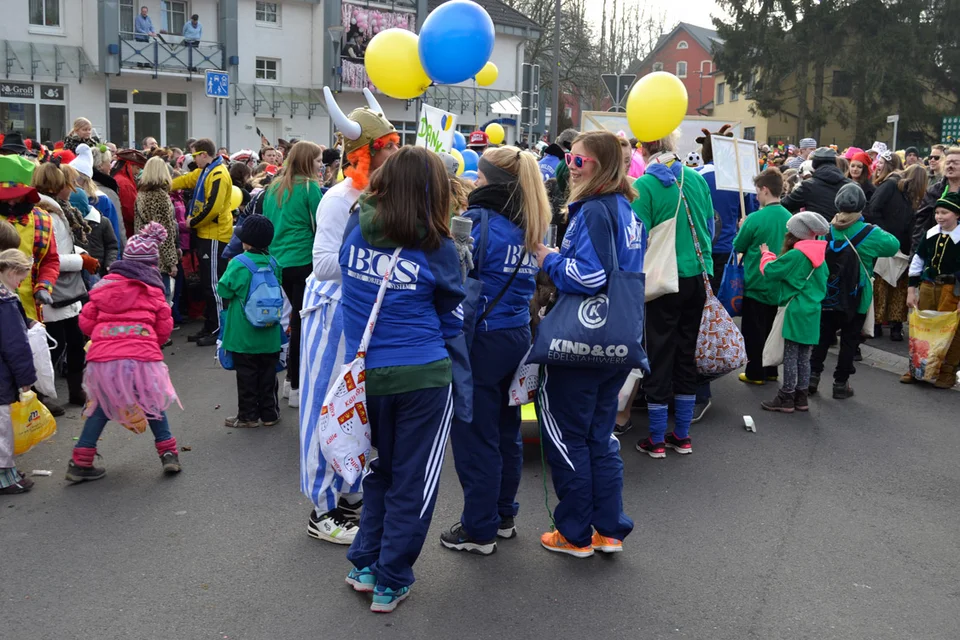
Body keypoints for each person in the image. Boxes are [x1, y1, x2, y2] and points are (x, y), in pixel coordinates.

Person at [341, 146, 464, 613]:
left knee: (384, 469)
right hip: (422, 377)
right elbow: (451, 302)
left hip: (366, 376)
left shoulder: (356, 226)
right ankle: (392, 578)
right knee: (415, 479)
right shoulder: (437, 245)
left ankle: (366, 564)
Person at [532, 130, 643, 557]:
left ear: (600, 166)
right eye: (569, 160)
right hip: (617, 337)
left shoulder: (595, 210)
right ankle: (609, 528)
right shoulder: (626, 209)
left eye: (577, 161)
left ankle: (575, 532)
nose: (569, 168)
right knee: (600, 437)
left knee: (568, 435)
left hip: (582, 340)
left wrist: (548, 257)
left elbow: (589, 277)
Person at [299, 88, 399, 544]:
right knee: (325, 404)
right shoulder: (340, 199)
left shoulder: (379, 195)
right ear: (368, 153)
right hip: (332, 312)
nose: (397, 153)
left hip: (362, 313)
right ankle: (321, 509)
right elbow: (322, 264)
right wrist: (376, 259)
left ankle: (348, 489)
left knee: (352, 406)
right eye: (389, 148)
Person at [440, 146, 550, 555]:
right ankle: (503, 515)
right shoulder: (530, 224)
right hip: (519, 337)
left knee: (474, 435)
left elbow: (452, 278)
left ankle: (478, 529)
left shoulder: (476, 222)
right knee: (507, 433)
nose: (473, 183)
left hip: (480, 340)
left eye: (480, 178)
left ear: (494, 182)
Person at [67, 222, 181, 483]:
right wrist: (152, 340)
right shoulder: (153, 290)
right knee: (152, 404)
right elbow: (164, 327)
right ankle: (168, 454)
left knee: (101, 407)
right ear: (151, 264)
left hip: (103, 360)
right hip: (142, 359)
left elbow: (85, 322)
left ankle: (81, 460)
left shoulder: (103, 287)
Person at [630, 130, 712, 455]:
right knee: (686, 354)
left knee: (658, 354)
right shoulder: (696, 179)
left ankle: (656, 438)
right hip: (698, 276)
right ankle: (682, 435)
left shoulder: (644, 185)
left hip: (663, 281)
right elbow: (708, 224)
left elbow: (637, 240)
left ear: (645, 146)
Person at [809, 183, 900, 399]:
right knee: (850, 340)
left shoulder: (825, 230)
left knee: (822, 337)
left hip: (827, 293)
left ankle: (812, 377)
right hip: (857, 297)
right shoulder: (869, 232)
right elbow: (893, 245)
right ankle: (841, 384)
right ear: (861, 205)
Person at [261, 141, 323, 407]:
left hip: (278, 262)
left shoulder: (273, 187)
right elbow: (324, 224)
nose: (321, 164)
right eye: (318, 160)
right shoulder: (310, 188)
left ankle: (288, 383)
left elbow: (266, 223)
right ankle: (296, 384)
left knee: (291, 321)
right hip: (303, 261)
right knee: (301, 324)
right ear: (308, 161)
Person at [32, 163, 97, 407]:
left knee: (73, 343)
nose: (72, 191)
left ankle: (75, 391)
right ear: (58, 186)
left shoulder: (55, 209)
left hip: (64, 290)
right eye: (68, 186)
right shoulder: (48, 213)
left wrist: (81, 255)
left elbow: (62, 248)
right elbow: (52, 258)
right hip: (54, 290)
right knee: (54, 346)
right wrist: (81, 260)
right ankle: (39, 397)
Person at [756, 213, 830, 412]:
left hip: (795, 309)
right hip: (813, 311)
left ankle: (786, 397)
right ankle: (801, 397)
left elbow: (771, 271)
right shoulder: (820, 257)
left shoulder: (796, 254)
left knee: (790, 355)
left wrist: (766, 254)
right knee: (804, 357)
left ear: (796, 233)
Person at [217, 216, 283, 427]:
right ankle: (270, 415)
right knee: (268, 376)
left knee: (246, 377)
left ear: (246, 242)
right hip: (270, 333)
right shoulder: (274, 263)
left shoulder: (239, 263)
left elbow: (223, 289)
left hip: (243, 333)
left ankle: (248, 416)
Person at [171, 138, 233, 347]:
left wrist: (192, 222)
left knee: (214, 286)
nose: (193, 159)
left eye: (195, 155)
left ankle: (218, 330)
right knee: (208, 284)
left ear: (204, 154)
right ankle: (210, 325)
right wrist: (163, 182)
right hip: (206, 234)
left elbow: (213, 207)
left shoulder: (218, 174)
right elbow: (187, 180)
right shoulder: (206, 171)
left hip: (215, 235)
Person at [734, 168, 793, 384]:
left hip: (756, 283)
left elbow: (739, 245)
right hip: (780, 284)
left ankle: (755, 372)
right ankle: (771, 370)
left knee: (754, 331)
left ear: (765, 190)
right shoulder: (790, 218)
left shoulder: (755, 218)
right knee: (772, 331)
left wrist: (742, 227)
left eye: (758, 191)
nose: (757, 195)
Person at [903, 191, 960, 388]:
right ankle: (917, 368)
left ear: (957, 214)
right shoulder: (930, 233)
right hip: (928, 285)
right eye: (937, 213)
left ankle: (946, 372)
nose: (939, 217)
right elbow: (917, 261)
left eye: (945, 213)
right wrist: (912, 289)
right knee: (924, 327)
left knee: (950, 331)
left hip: (951, 288)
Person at [865, 163, 928, 341]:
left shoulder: (903, 191)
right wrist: (886, 236)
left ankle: (894, 324)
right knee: (882, 284)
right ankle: (878, 324)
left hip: (903, 247)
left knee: (896, 287)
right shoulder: (891, 186)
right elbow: (874, 209)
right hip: (887, 244)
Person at [0, 154, 60, 323]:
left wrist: (44, 286)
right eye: (5, 196)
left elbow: (51, 260)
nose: (11, 201)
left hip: (29, 309)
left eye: (16, 196)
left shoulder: (43, 220)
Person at [0, 248, 39, 494]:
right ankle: (5, 477)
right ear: (11, 271)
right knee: (1, 427)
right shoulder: (5, 300)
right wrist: (26, 378)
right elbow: (15, 345)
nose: (21, 283)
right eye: (21, 277)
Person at [61, 164, 117, 279]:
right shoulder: (67, 223)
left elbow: (112, 245)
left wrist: (109, 264)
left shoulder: (102, 222)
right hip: (77, 270)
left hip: (99, 270)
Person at [135, 157, 179, 298]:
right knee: (163, 299)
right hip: (159, 257)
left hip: (144, 254)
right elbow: (165, 232)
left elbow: (138, 226)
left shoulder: (141, 194)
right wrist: (172, 262)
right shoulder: (161, 197)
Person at [70, 144, 124, 249]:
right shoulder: (64, 198)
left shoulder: (102, 199)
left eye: (73, 178)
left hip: (99, 257)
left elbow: (114, 235)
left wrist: (112, 261)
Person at [912, 147, 960, 256]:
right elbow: (921, 225)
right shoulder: (934, 191)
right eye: (948, 163)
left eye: (956, 163)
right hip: (935, 252)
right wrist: (916, 254)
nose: (950, 166)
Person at [782, 147, 852, 215]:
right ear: (835, 162)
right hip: (845, 226)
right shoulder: (851, 185)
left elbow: (784, 205)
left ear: (814, 164)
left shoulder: (808, 186)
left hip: (816, 226)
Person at [112, 148, 147, 239]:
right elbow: (131, 212)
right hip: (127, 232)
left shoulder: (117, 178)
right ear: (129, 165)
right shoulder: (125, 183)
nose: (138, 172)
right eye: (137, 168)